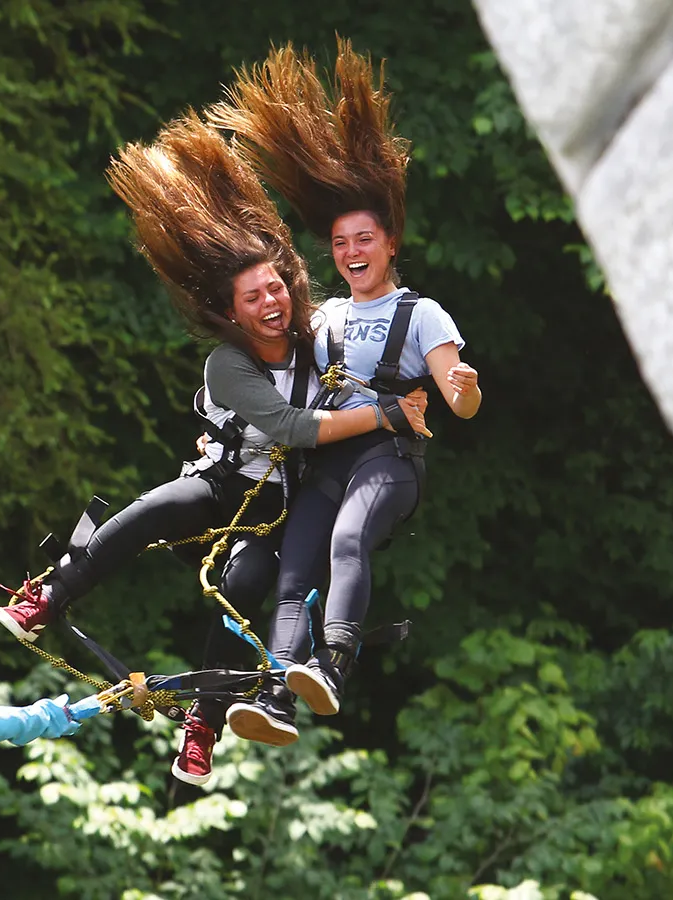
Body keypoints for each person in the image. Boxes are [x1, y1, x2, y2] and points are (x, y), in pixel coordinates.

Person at [0, 113, 428, 782]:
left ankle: (203, 726)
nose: (272, 302)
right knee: (157, 507)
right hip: (225, 482)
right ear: (233, 312)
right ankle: (48, 594)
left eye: (277, 287)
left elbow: (368, 348)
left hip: (282, 508)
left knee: (245, 585)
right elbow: (290, 428)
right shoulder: (228, 364)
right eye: (255, 298)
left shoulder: (319, 341)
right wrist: (384, 419)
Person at [213, 41, 483, 745]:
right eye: (339, 243)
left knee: (348, 538)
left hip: (387, 460)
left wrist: (462, 387)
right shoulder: (323, 315)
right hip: (326, 459)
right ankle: (277, 694)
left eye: (364, 239)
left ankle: (332, 663)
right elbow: (276, 365)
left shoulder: (421, 314)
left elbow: (459, 402)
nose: (351, 252)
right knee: (294, 563)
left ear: (389, 243)